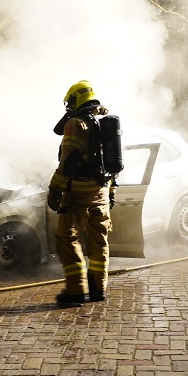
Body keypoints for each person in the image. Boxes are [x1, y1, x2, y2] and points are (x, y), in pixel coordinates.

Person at [47, 80, 115, 307]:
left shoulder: (75, 125)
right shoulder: (104, 123)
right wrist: (111, 192)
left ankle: (76, 291)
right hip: (102, 194)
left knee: (67, 238)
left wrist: (54, 189)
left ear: (76, 100)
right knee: (99, 242)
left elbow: (67, 163)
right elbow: (112, 164)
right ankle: (98, 289)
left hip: (78, 195)